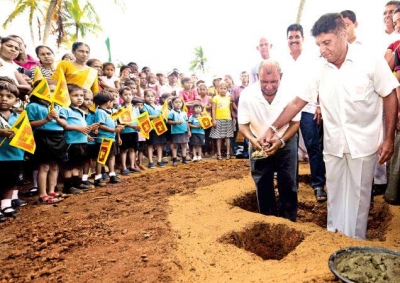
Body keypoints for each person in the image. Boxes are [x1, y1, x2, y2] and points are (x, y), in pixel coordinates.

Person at [261, 13, 399, 239]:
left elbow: (390, 94)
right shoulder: (318, 69)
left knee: (358, 199)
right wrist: (272, 128)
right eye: (318, 44)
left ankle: (355, 245)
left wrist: (389, 139)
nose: (323, 50)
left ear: (343, 34)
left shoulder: (370, 60)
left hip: (363, 145)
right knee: (334, 197)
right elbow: (297, 102)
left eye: (327, 43)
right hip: (333, 145)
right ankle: (333, 241)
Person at [238, 59, 300, 222]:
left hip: (285, 142)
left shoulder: (290, 92)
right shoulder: (247, 94)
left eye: (274, 81)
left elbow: (295, 123)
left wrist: (280, 141)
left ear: (281, 76)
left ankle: (289, 222)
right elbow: (242, 125)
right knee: (263, 184)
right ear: (258, 76)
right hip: (259, 144)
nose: (269, 86)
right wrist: (253, 139)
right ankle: (269, 222)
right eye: (264, 81)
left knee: (288, 183)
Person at [283, 23, 327, 202]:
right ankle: (291, 185)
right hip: (289, 112)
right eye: (291, 38)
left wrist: (318, 105)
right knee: (288, 148)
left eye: (297, 37)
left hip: (308, 109)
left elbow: (320, 82)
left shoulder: (312, 60)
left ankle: (318, 185)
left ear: (302, 39)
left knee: (313, 147)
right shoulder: (282, 61)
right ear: (287, 40)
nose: (294, 40)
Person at [26, 80, 66, 204]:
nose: (50, 94)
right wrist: (46, 119)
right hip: (43, 136)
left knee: (55, 165)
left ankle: (52, 191)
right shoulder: (32, 106)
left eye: (53, 91)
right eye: (47, 91)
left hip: (58, 136)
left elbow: (65, 124)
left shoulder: (58, 106)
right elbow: (29, 124)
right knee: (44, 166)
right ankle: (42, 194)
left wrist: (57, 118)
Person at [59, 84, 93, 195]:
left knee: (78, 164)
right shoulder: (65, 110)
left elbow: (81, 126)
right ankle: (68, 187)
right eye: (75, 95)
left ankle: (76, 183)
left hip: (81, 141)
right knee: (69, 165)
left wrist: (87, 134)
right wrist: (79, 128)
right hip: (71, 142)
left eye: (81, 96)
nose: (79, 98)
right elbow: (65, 126)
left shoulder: (81, 112)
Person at [0, 80, 25, 221]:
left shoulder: (19, 116)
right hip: (0, 155)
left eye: (9, 96)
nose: (4, 98)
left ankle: (6, 204)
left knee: (11, 182)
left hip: (15, 154)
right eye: (0, 95)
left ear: (16, 100)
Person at [93, 90, 124, 186]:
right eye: (111, 101)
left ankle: (112, 174)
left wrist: (117, 132)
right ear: (107, 102)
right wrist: (114, 130)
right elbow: (100, 125)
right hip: (104, 139)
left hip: (111, 138)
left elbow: (114, 124)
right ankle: (98, 177)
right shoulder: (100, 112)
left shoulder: (110, 111)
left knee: (111, 156)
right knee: (101, 158)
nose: (113, 103)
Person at [118, 87, 141, 175]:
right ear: (121, 96)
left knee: (133, 149)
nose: (128, 97)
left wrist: (139, 126)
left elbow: (139, 119)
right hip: (124, 132)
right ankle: (124, 167)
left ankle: (131, 166)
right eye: (125, 95)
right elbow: (120, 121)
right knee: (124, 150)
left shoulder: (135, 108)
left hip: (134, 132)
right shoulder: (119, 108)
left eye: (130, 94)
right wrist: (132, 126)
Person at [142, 88, 166, 168]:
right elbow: (145, 116)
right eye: (148, 96)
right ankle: (151, 161)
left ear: (155, 97)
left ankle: (159, 160)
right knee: (150, 145)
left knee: (160, 144)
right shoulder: (144, 106)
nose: (150, 98)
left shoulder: (159, 106)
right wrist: (157, 116)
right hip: (150, 128)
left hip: (159, 127)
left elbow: (163, 115)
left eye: (152, 96)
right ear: (144, 97)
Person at [210, 81, 234, 160]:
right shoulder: (215, 98)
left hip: (228, 119)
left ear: (227, 89)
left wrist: (233, 118)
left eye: (225, 88)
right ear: (218, 89)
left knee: (227, 137)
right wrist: (214, 120)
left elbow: (230, 110)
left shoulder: (229, 98)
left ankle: (228, 153)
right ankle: (219, 154)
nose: (223, 90)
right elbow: (213, 110)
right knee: (218, 137)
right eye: (221, 88)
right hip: (218, 119)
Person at [168, 96, 191, 166]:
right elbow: (169, 121)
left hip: (184, 131)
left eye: (180, 102)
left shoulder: (184, 112)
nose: (178, 104)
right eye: (176, 102)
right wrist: (176, 122)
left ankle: (184, 159)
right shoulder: (171, 112)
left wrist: (189, 130)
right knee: (175, 146)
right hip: (175, 132)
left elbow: (187, 122)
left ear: (182, 103)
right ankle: (174, 160)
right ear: (172, 104)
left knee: (184, 145)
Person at [231, 71, 250, 158]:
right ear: (240, 77)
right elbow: (233, 102)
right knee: (241, 132)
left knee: (250, 132)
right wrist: (239, 111)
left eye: (245, 76)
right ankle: (240, 152)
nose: (244, 77)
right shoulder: (236, 89)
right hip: (239, 115)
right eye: (242, 76)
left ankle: (248, 151)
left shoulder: (252, 87)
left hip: (251, 114)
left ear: (248, 77)